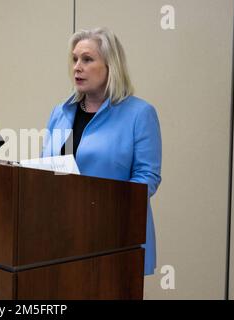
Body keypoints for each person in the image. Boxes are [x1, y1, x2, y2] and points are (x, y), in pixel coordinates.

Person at [42, 27, 162, 276]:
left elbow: (147, 178)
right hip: (62, 239)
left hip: (114, 238)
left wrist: (101, 208)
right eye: (75, 59)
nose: (77, 66)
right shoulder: (60, 112)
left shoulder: (139, 114)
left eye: (87, 59)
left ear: (111, 66)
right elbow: (45, 169)